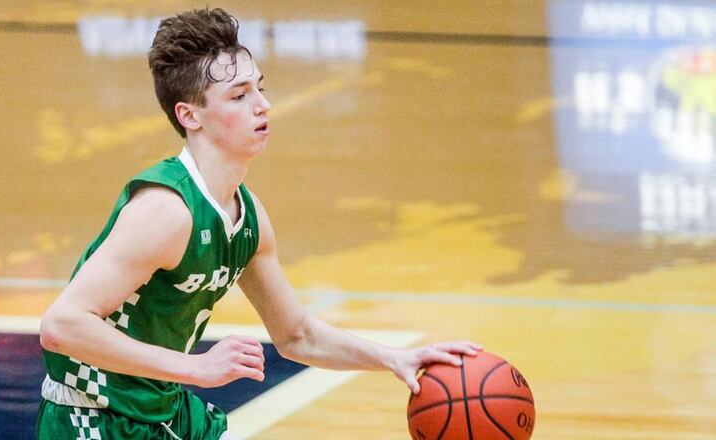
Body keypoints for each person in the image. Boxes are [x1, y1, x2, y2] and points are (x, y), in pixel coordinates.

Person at [37, 7, 481, 440]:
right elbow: (62, 326)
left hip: (165, 411)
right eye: (239, 95)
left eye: (259, 88)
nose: (263, 105)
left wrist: (393, 359)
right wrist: (197, 367)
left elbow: (296, 335)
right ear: (189, 116)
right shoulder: (165, 211)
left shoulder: (248, 218)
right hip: (92, 416)